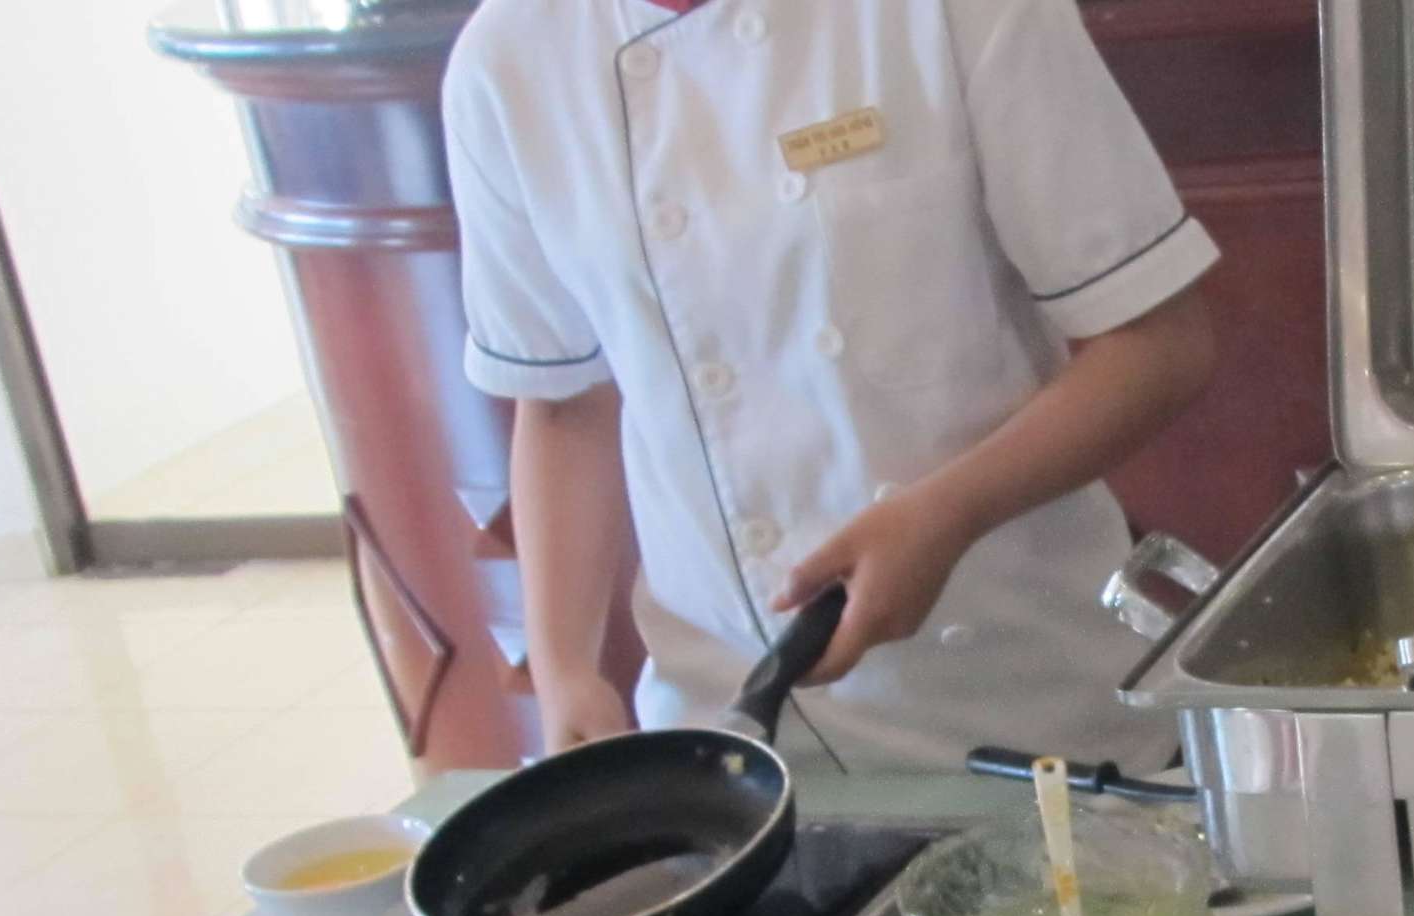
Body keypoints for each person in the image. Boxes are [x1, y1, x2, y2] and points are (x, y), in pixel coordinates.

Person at [442, 0, 1215, 771]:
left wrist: (949, 513)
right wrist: (564, 671)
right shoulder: (506, 59)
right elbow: (564, 406)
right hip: (722, 719)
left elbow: (1161, 345)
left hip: (1017, 699)